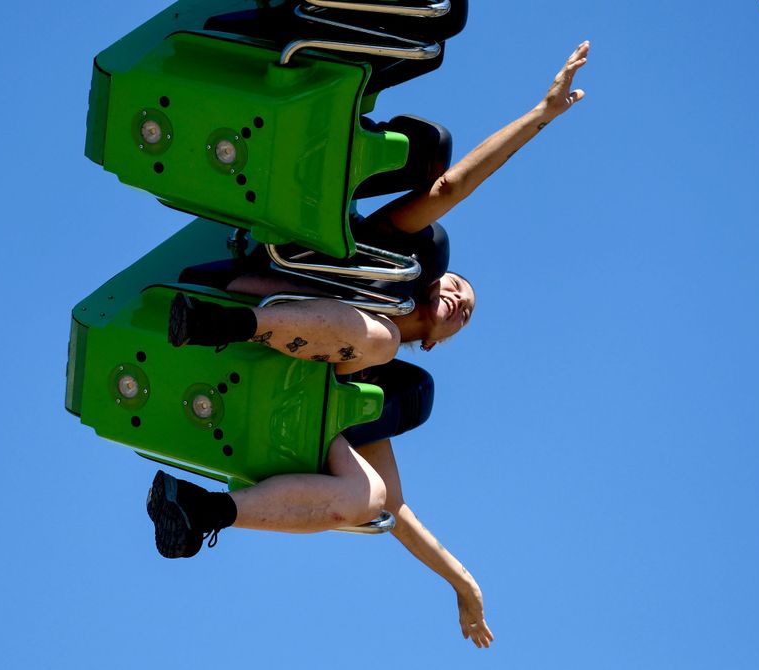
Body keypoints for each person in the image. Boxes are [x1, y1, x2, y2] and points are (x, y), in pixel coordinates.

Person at [148, 41, 589, 649]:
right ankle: (227, 325)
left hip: (281, 379)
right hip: (242, 295)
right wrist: (538, 116)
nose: (460, 298)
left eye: (466, 315)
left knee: (369, 499)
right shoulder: (395, 261)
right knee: (379, 336)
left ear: (438, 342)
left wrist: (464, 585)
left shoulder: (383, 391)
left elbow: (397, 513)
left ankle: (203, 513)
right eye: (459, 287)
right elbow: (452, 184)